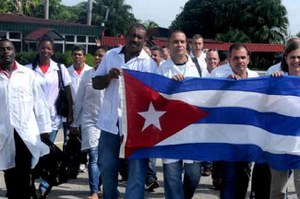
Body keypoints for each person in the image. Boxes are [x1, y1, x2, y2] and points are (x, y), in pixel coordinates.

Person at [92, 23, 156, 199]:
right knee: (106, 165)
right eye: (132, 35)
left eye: (139, 37)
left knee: (136, 169)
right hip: (110, 122)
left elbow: (151, 96)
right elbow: (96, 83)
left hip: (136, 125)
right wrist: (109, 77)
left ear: (144, 41)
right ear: (125, 36)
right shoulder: (111, 55)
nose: (135, 40)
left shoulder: (149, 64)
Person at [0, 39, 52, 199]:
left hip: (26, 132)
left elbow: (39, 102)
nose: (6, 52)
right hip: (4, 131)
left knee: (25, 169)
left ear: (14, 51)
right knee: (8, 169)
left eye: (9, 49)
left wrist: (45, 130)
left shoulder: (27, 74)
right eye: (2, 49)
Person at [157, 30, 204, 199]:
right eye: (175, 42)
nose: (179, 45)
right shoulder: (162, 69)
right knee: (172, 177)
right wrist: (169, 87)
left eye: (182, 41)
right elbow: (154, 98)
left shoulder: (199, 66)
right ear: (169, 45)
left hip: (193, 130)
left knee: (193, 175)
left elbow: (209, 93)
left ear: (187, 44)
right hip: (169, 131)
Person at [26, 35, 73, 198]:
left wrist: (70, 113)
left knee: (48, 153)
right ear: (37, 49)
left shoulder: (60, 69)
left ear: (53, 51)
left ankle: (44, 185)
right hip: (31, 120)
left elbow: (67, 92)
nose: (45, 50)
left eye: (48, 48)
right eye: (42, 47)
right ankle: (30, 181)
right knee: (33, 152)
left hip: (52, 119)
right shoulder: (27, 69)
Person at [211, 43, 259, 199]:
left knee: (244, 178)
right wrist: (225, 85)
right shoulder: (218, 75)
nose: (240, 61)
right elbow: (207, 101)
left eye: (243, 57)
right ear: (229, 59)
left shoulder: (255, 78)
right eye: (236, 58)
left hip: (247, 138)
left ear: (249, 59)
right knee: (230, 179)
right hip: (226, 138)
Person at [71, 46, 107, 199]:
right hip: (90, 121)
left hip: (108, 122)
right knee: (93, 155)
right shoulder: (87, 75)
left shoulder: (112, 76)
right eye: (96, 56)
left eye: (101, 56)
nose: (98, 58)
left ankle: (101, 186)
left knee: (104, 159)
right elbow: (79, 100)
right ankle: (93, 191)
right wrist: (74, 122)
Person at [269, 42, 300, 199]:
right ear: (286, 58)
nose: (296, 60)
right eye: (293, 57)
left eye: (299, 57)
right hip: (280, 145)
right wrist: (274, 84)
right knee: (277, 193)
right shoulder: (277, 81)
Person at [67, 45, 93, 173]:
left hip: (87, 110)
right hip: (71, 111)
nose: (77, 57)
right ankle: (73, 163)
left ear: (84, 57)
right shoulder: (66, 72)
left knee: (85, 137)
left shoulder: (90, 71)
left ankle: (84, 160)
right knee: (72, 138)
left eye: (80, 54)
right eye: (75, 54)